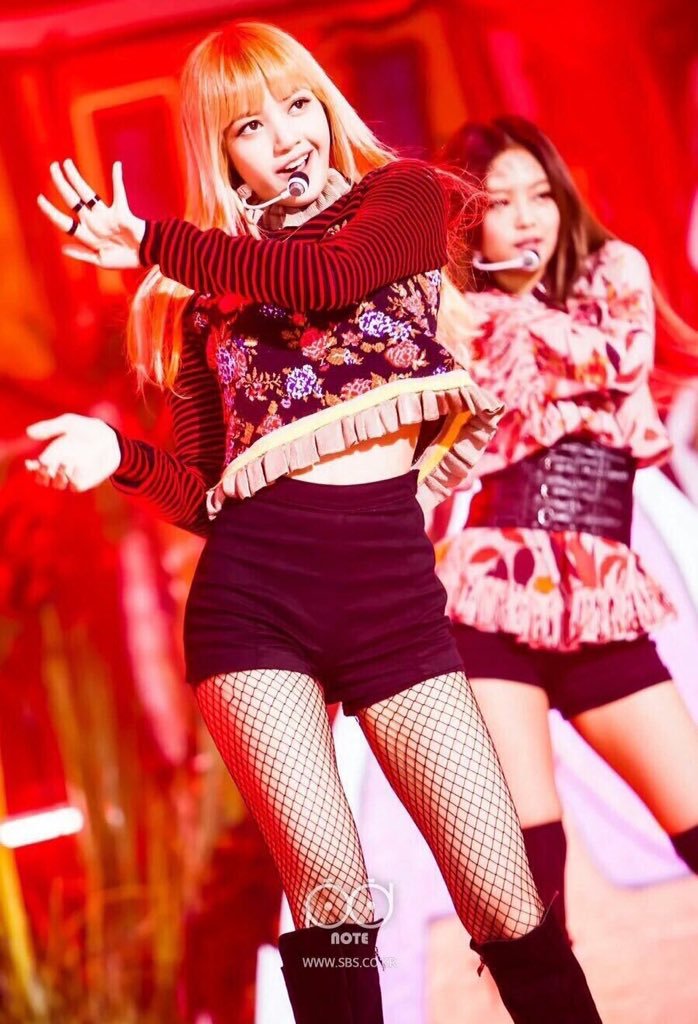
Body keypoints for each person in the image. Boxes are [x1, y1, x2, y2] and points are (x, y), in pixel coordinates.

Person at [29, 26, 604, 1023]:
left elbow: (330, 279)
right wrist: (112, 452)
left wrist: (153, 241)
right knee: (331, 902)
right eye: (248, 126)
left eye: (296, 104)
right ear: (221, 151)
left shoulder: (401, 201)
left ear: (325, 105)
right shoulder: (202, 299)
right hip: (254, 610)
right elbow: (205, 494)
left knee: (509, 903)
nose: (285, 135)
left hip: (392, 608)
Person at [436, 115, 698, 944]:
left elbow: (618, 360)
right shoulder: (456, 313)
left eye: (540, 195)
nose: (527, 218)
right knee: (531, 891)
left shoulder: (612, 271)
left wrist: (505, 314)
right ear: (470, 222)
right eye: (501, 202)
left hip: (599, 596)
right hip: (490, 599)